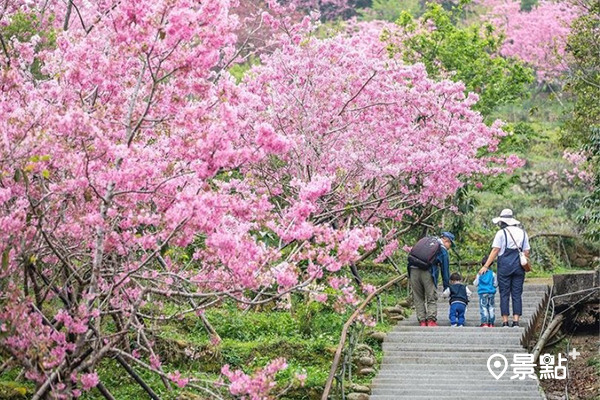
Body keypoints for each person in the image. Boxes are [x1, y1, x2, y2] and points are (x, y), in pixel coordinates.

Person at [479, 208, 530, 328]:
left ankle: (505, 321)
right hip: (519, 267)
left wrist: (486, 265)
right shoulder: (523, 233)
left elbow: (495, 250)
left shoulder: (501, 233)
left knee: (504, 294)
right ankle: (516, 321)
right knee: (517, 294)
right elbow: (526, 251)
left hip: (504, 267)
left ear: (502, 222)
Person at [408, 232, 453, 327]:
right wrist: (446, 287)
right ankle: (431, 320)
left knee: (418, 297)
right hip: (427, 272)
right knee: (431, 297)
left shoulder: (426, 242)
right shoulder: (442, 249)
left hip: (413, 270)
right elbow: (445, 270)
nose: (450, 247)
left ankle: (422, 321)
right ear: (446, 240)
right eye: (450, 244)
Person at [473, 255, 498, 327]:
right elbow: (496, 284)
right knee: (491, 307)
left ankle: (484, 322)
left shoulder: (480, 273)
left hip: (483, 292)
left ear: (482, 264)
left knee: (483, 307)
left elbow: (476, 283)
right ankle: (491, 323)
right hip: (491, 293)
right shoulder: (493, 274)